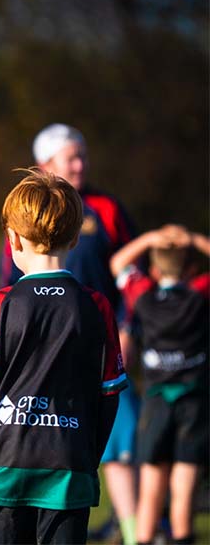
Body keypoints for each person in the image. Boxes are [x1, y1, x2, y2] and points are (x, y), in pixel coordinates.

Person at [0, 170, 128, 544]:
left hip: (5, 467)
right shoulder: (97, 307)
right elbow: (109, 393)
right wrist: (88, 458)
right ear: (76, 237)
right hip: (69, 470)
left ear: (11, 238)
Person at [0, 123, 139, 545]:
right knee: (37, 435)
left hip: (98, 344)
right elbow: (7, 288)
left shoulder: (106, 208)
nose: (80, 164)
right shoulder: (21, 217)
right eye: (69, 158)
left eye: (82, 155)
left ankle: (132, 531)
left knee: (118, 439)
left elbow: (132, 275)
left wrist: (127, 328)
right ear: (44, 166)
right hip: (41, 358)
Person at [109, 224, 210, 545]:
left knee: (151, 488)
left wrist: (151, 238)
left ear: (153, 270)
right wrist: (193, 238)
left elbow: (117, 263)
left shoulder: (144, 297)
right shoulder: (199, 295)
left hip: (156, 403)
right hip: (193, 404)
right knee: (184, 486)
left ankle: (143, 539)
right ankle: (181, 538)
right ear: (192, 269)